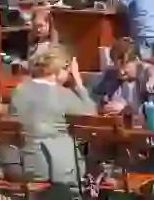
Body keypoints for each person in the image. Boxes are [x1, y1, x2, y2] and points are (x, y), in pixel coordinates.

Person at [8, 45, 95, 193]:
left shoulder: (19, 90)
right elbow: (91, 116)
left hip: (22, 166)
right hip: (56, 170)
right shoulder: (63, 94)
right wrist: (79, 83)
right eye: (68, 71)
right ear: (60, 69)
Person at [91, 37, 154, 115]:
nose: (121, 71)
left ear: (136, 61)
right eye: (116, 65)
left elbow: (153, 111)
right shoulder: (111, 75)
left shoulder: (147, 78)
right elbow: (96, 100)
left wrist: (125, 109)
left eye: (125, 65)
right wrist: (103, 106)